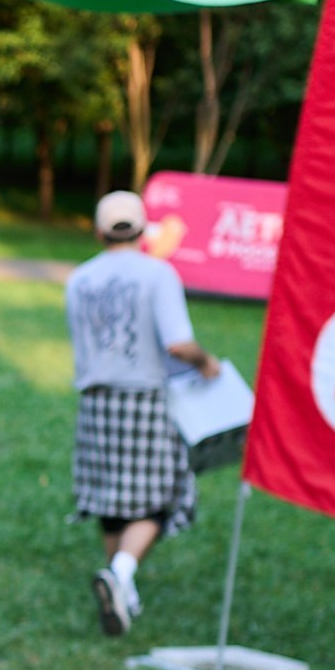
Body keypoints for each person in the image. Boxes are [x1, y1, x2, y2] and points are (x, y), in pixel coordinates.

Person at [66, 190, 222, 634]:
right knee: (164, 493)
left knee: (110, 498)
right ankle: (121, 572)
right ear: (141, 229)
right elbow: (178, 343)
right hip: (143, 396)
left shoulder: (79, 278)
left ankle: (122, 593)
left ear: (99, 232)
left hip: (95, 399)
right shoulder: (158, 273)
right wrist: (207, 362)